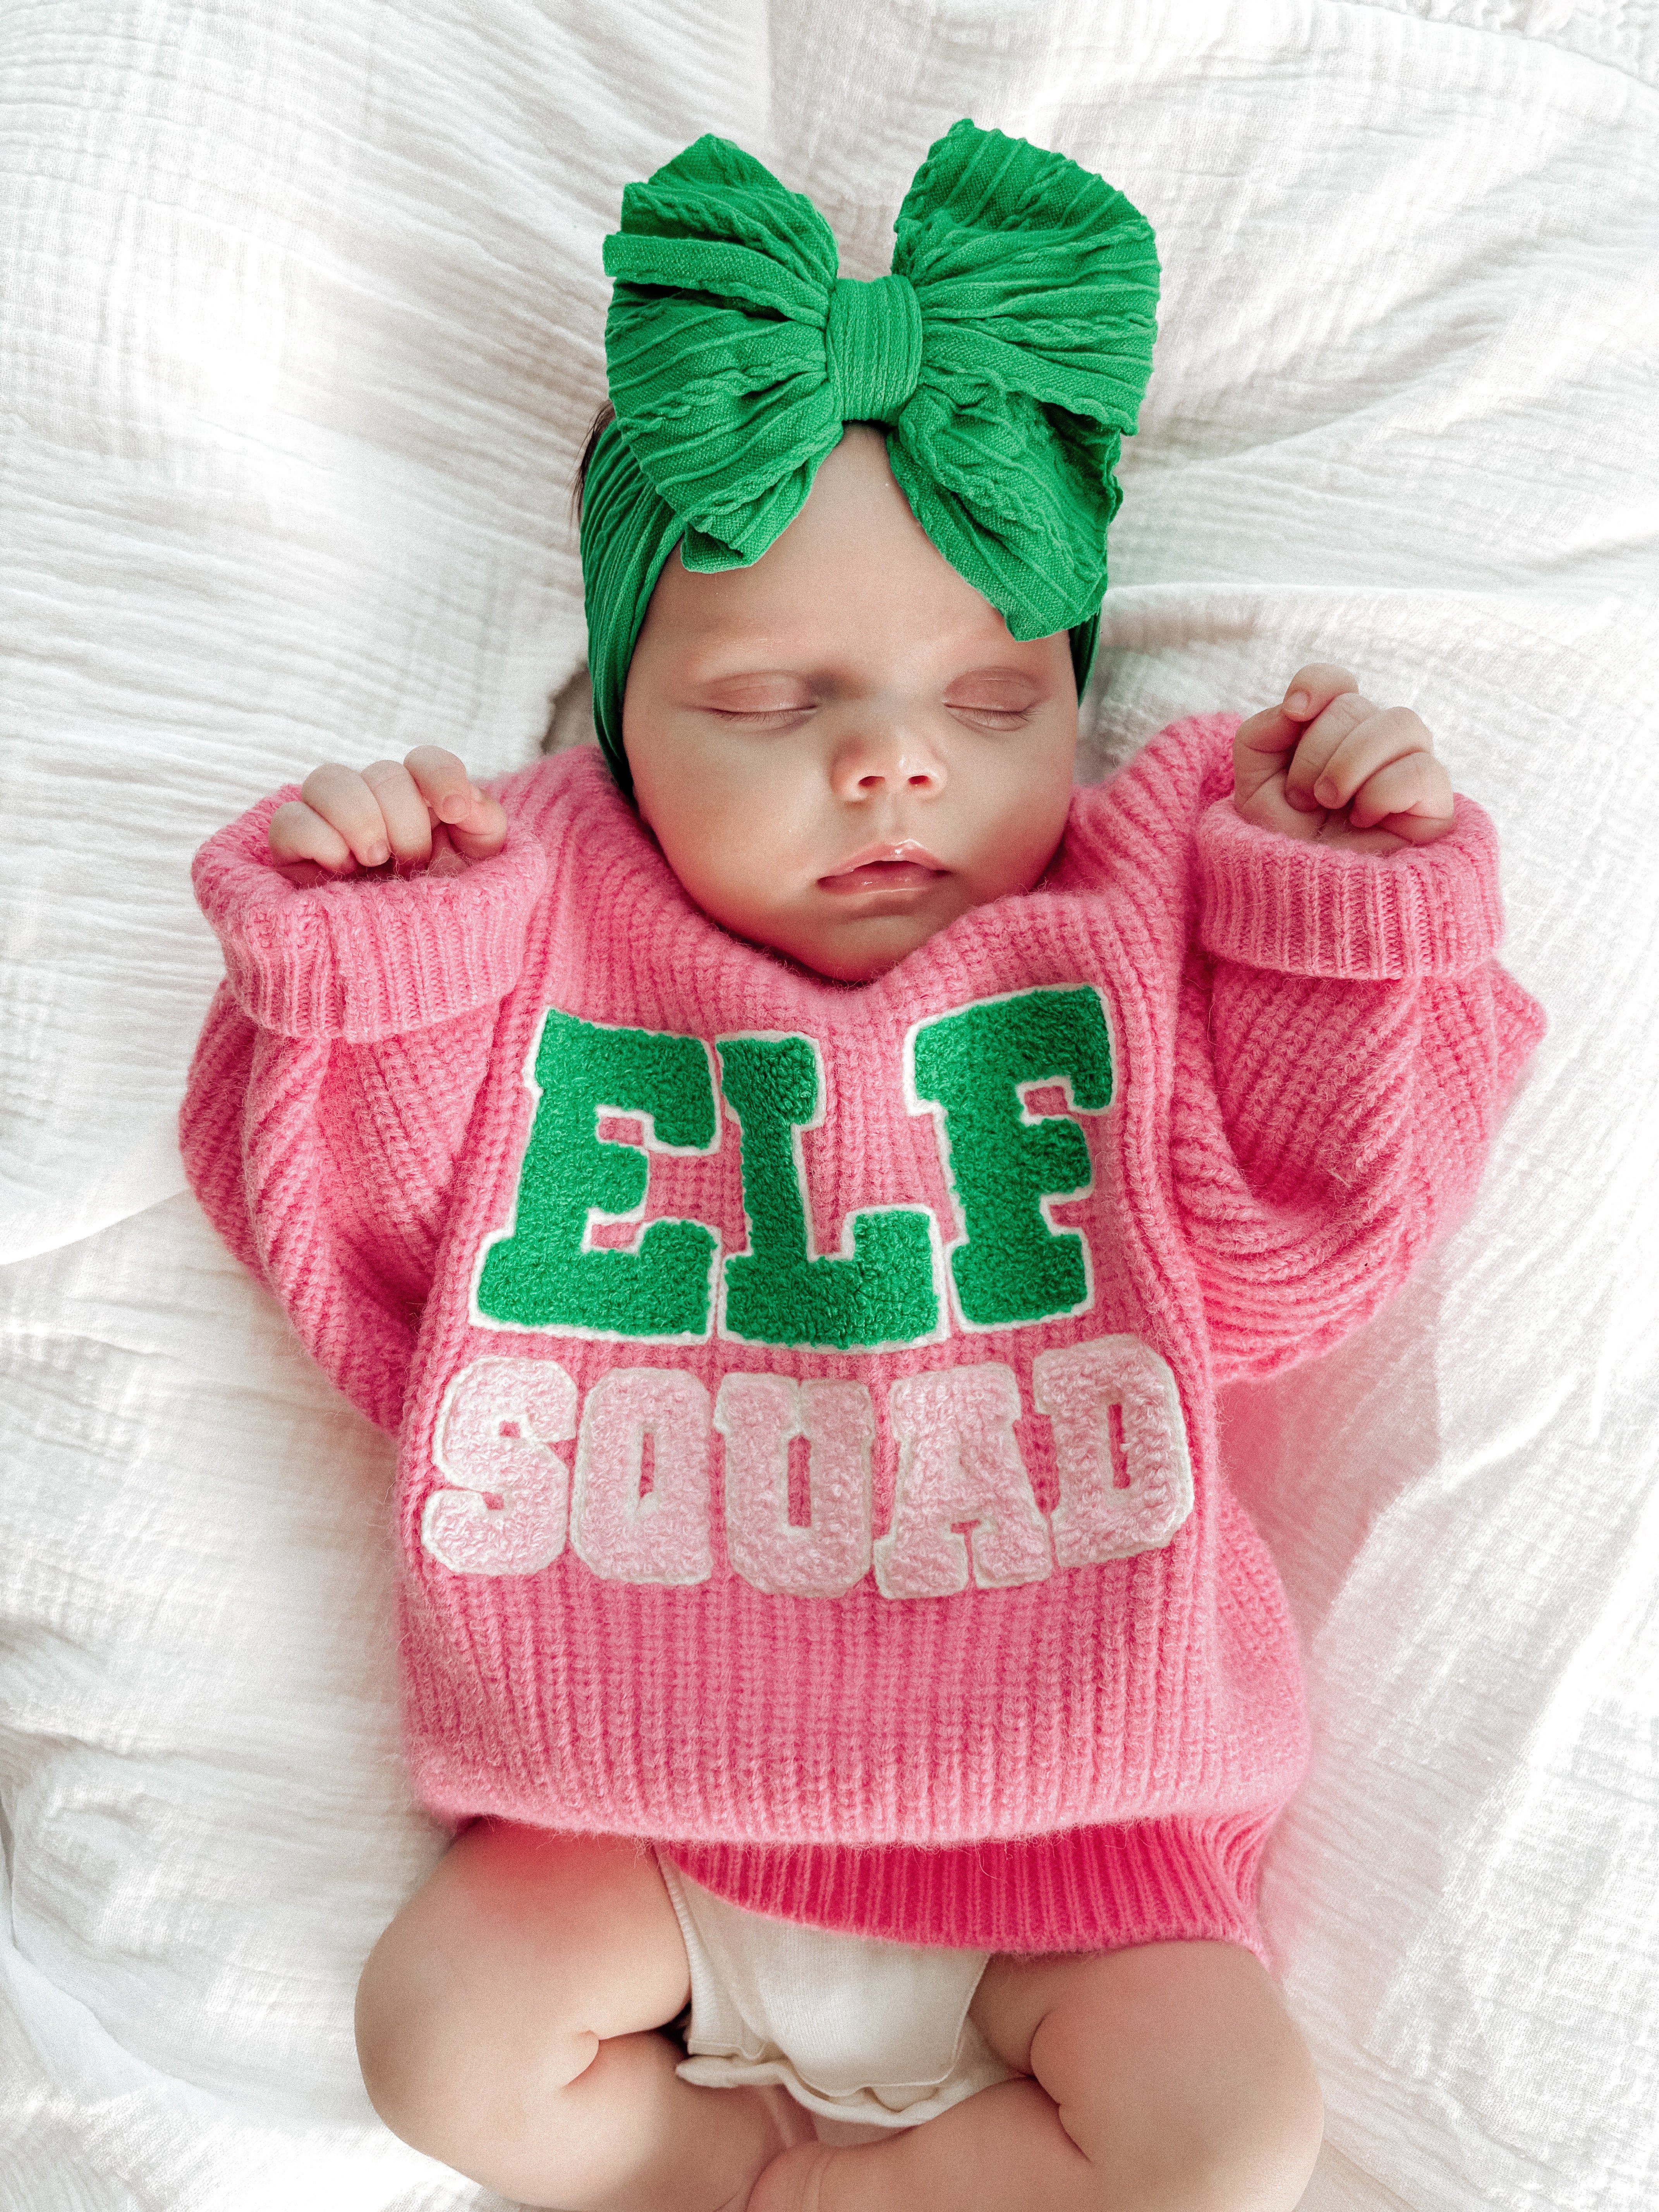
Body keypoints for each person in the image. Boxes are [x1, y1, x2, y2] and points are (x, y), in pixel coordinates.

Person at [181, 122, 1544, 2212]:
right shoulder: (535, 921)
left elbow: (1314, 1233)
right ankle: (690, 2166)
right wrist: (378, 969)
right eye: (769, 698)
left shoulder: (1121, 929)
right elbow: (357, 1265)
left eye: (995, 702)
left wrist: (1326, 912)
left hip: (1074, 1860)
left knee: (1235, 2135)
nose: (893, 761)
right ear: (619, 716)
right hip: (628, 1832)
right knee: (436, 2040)